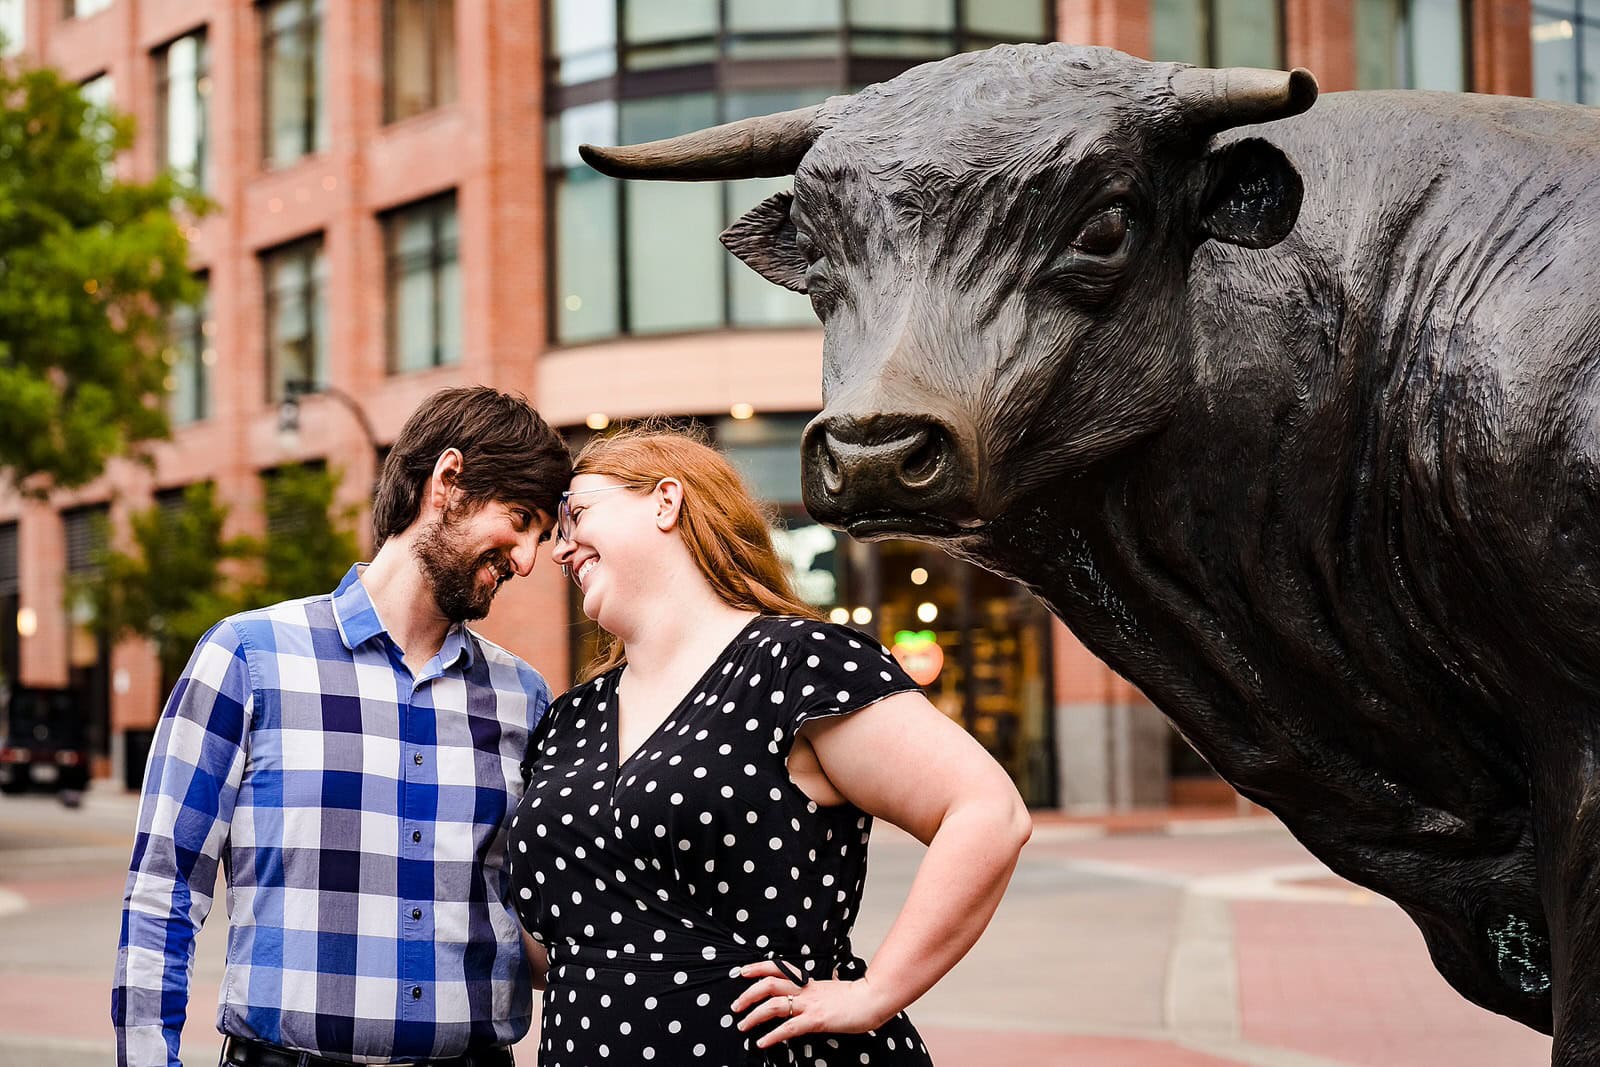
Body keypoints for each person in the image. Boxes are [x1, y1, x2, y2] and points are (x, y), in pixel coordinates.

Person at [510, 425, 1032, 1065]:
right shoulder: (571, 717)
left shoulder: (795, 665)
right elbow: (559, 938)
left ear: (666, 503)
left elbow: (987, 811)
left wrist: (874, 994)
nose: (560, 549)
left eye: (576, 514)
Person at [112, 386, 570, 1067]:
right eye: (520, 518)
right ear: (447, 481)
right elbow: (164, 889)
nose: (527, 560)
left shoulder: (523, 697)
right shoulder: (246, 657)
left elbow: (544, 914)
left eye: (543, 536)